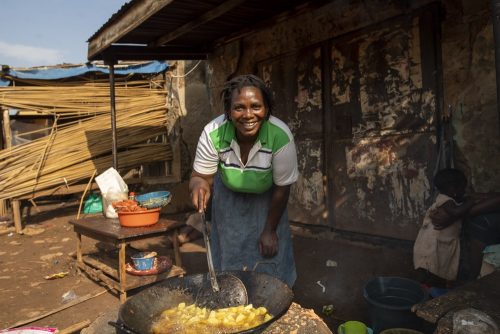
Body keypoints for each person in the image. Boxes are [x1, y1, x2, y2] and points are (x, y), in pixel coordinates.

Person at [189, 74, 298, 287]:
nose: (248, 115)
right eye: (239, 108)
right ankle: (231, 294)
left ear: (266, 110)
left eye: (256, 106)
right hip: (228, 201)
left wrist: (269, 230)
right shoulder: (213, 132)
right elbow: (200, 176)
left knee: (270, 254)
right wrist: (199, 185)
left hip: (269, 201)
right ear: (228, 112)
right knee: (230, 254)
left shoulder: (280, 136)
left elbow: (282, 188)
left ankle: (275, 294)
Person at [413, 168, 500, 288]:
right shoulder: (446, 200)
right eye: (463, 188)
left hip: (442, 242)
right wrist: (471, 201)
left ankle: (433, 287)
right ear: (453, 189)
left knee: (439, 266)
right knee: (430, 267)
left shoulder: (451, 198)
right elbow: (456, 212)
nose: (464, 192)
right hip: (434, 243)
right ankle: (423, 288)